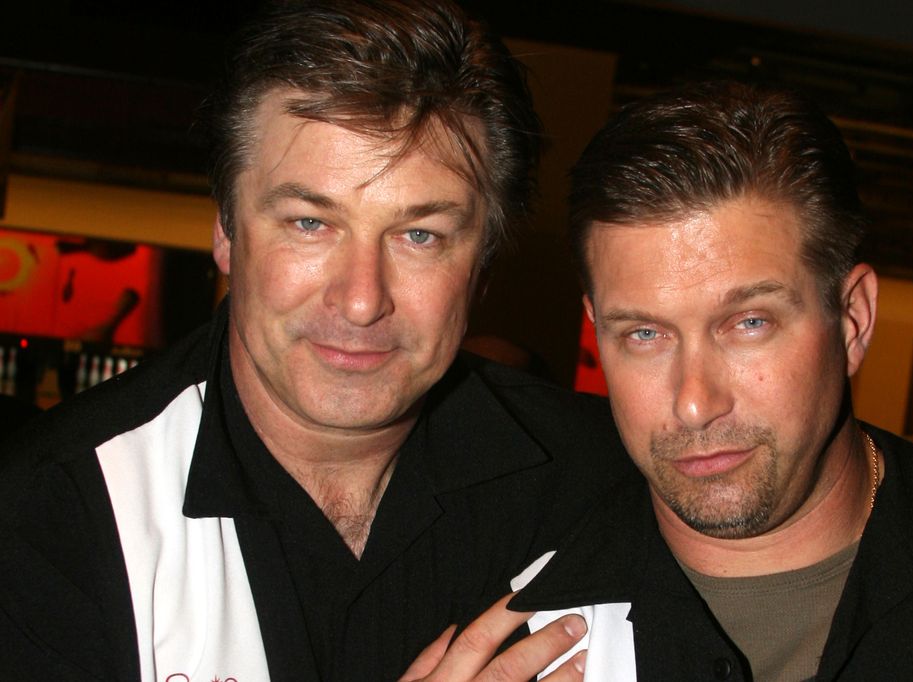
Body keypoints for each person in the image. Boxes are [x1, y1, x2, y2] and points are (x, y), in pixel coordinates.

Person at [0, 1, 632, 679]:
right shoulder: (54, 513)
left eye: (420, 235)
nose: (361, 299)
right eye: (309, 222)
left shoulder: (611, 485)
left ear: (482, 265)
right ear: (226, 230)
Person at [509, 81, 913, 680]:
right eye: (645, 335)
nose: (696, 403)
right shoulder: (496, 596)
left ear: (853, 320)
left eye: (749, 323)